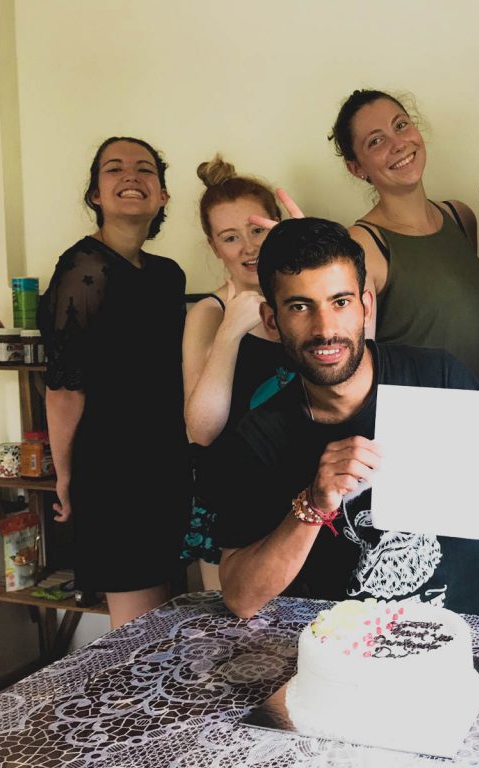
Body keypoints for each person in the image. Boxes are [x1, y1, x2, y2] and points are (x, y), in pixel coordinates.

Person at [210, 217, 479, 620]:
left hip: (467, 639)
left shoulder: (438, 377)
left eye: (340, 302)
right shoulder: (259, 436)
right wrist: (314, 504)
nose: (325, 328)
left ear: (366, 305)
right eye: (300, 306)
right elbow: (241, 597)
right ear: (272, 320)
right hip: (347, 653)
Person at [39, 136, 190, 629]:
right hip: (114, 469)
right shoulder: (84, 269)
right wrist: (65, 475)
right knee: (140, 635)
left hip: (167, 461)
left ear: (163, 196)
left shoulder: (168, 275)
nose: (131, 176)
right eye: (114, 169)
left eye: (145, 169)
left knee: (171, 615)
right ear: (95, 195)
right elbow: (64, 386)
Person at [330, 89, 479, 390]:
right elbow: (357, 369)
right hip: (421, 430)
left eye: (400, 125)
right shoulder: (362, 246)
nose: (398, 144)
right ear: (356, 168)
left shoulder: (460, 217)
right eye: (376, 141)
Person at [181, 155, 296, 590]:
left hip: (304, 496)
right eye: (230, 237)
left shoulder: (305, 302)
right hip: (231, 501)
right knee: (234, 645)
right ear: (214, 247)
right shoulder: (207, 315)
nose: (248, 247)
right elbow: (201, 432)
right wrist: (230, 332)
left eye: (256, 230)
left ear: (277, 224)